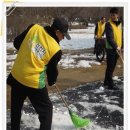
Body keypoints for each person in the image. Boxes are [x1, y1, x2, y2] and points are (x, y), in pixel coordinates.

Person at [7, 17, 71, 130]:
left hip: (17, 76)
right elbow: (51, 74)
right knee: (46, 111)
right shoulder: (56, 50)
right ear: (57, 32)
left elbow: (17, 43)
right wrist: (52, 80)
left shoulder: (34, 28)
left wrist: (29, 49)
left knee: (16, 108)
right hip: (33, 83)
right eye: (63, 35)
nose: (63, 38)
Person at [104, 7, 122, 90]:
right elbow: (110, 38)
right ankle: (110, 84)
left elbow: (121, 36)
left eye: (114, 15)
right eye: (111, 15)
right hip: (111, 49)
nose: (112, 17)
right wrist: (116, 47)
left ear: (117, 15)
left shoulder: (120, 24)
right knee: (110, 66)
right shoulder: (108, 24)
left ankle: (106, 81)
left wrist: (122, 46)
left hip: (118, 49)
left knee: (112, 66)